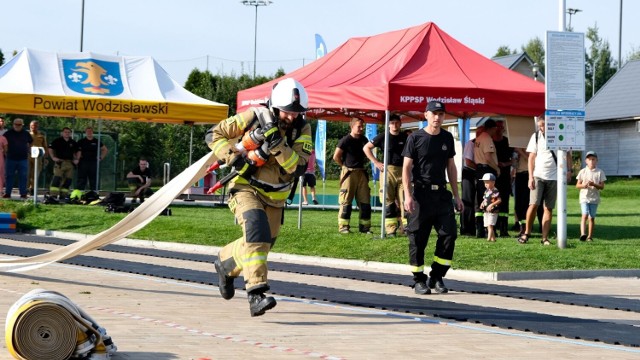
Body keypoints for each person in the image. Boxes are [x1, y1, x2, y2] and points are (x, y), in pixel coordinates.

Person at [206, 78, 312, 317]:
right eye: (287, 112)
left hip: (276, 196)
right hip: (245, 187)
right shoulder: (253, 116)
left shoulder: (302, 129)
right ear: (274, 106)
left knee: (262, 245)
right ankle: (256, 294)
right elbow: (214, 134)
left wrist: (276, 144)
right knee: (256, 232)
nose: (292, 117)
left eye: (297, 113)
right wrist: (232, 156)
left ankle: (224, 263)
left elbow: (296, 167)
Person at [402, 101, 463, 295]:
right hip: (420, 195)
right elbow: (406, 168)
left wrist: (457, 195)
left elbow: (451, 167)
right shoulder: (415, 138)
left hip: (442, 195)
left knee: (449, 234)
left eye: (441, 114)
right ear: (426, 115)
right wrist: (408, 196)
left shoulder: (447, 138)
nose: (438, 118)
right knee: (418, 239)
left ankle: (436, 276)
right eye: (434, 114)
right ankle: (419, 279)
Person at [518, 117, 572, 245]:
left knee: (548, 208)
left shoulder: (560, 135)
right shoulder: (536, 136)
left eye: (544, 125)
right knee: (533, 204)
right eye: (540, 126)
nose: (542, 128)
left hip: (554, 177)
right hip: (538, 175)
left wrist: (569, 170)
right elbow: (531, 158)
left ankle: (545, 238)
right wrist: (530, 177)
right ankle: (527, 233)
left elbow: (568, 154)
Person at [363, 113, 408, 236]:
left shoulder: (405, 137)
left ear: (400, 123)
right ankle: (390, 229)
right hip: (388, 170)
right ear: (388, 124)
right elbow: (366, 148)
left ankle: (406, 227)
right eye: (392, 122)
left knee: (405, 199)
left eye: (396, 122)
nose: (394, 125)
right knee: (388, 201)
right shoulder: (383, 136)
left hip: (403, 171)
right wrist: (376, 162)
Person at [333, 117, 371, 234]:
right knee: (346, 201)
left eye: (362, 126)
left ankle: (365, 228)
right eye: (359, 126)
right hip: (349, 173)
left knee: (365, 201)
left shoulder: (364, 139)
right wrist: (343, 166)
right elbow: (336, 156)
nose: (361, 128)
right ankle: (344, 227)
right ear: (352, 126)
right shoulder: (345, 140)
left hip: (361, 172)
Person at [473, 119, 499, 238]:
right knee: (490, 198)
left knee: (481, 198)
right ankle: (490, 230)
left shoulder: (478, 138)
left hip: (479, 169)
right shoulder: (487, 138)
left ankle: (480, 229)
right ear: (492, 128)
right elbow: (488, 157)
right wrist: (497, 168)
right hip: (486, 169)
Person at [575, 151, 606, 242]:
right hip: (584, 197)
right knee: (584, 215)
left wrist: (594, 184)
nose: (591, 161)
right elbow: (577, 185)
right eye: (589, 159)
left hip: (594, 198)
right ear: (586, 161)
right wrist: (583, 185)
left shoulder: (600, 172)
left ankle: (589, 236)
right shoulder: (583, 171)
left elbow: (602, 186)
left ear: (597, 160)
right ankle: (583, 234)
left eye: (593, 159)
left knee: (591, 217)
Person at [492, 120, 513, 237]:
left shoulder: (507, 142)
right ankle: (493, 228)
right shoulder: (490, 142)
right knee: (493, 201)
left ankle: (504, 230)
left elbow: (514, 159)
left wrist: (505, 164)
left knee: (504, 203)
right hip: (493, 177)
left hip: (504, 177)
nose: (500, 129)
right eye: (497, 127)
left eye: (501, 127)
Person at [460, 126, 482, 236]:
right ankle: (466, 228)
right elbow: (468, 161)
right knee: (468, 199)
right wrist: (480, 168)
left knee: (478, 200)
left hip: (478, 172)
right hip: (469, 172)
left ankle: (478, 227)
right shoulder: (471, 143)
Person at [3, 118, 33, 199]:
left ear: (22, 125)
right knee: (9, 176)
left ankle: (23, 193)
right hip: (10, 158)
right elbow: (3, 144)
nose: (17, 126)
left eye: (19, 124)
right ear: (13, 124)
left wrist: (29, 151)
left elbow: (30, 143)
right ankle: (7, 193)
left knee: (23, 176)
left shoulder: (26, 133)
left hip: (23, 158)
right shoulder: (7, 133)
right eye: (15, 124)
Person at [48, 127, 79, 201]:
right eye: (65, 132)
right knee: (57, 179)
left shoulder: (73, 142)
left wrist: (77, 159)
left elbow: (78, 150)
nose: (67, 133)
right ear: (62, 133)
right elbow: (50, 148)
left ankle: (63, 195)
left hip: (70, 163)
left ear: (70, 133)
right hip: (60, 162)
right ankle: (53, 195)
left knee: (68, 180)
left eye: (68, 132)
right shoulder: (57, 141)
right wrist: (53, 157)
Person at [76, 126, 108, 191]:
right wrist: (77, 159)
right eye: (87, 131)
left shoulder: (96, 141)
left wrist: (100, 158)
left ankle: (94, 194)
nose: (89, 133)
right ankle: (79, 195)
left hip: (93, 162)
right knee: (82, 179)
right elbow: (75, 150)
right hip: (83, 162)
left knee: (93, 179)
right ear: (85, 132)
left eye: (90, 131)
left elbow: (105, 149)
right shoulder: (81, 141)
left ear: (92, 132)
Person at [479, 173, 501, 242]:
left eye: (487, 183)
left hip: (493, 211)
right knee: (488, 225)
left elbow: (499, 200)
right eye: (484, 182)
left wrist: (492, 205)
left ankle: (488, 239)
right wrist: (482, 203)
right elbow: (485, 199)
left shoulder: (495, 191)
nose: (485, 184)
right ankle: (493, 239)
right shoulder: (486, 191)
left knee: (490, 225)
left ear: (493, 182)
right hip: (486, 211)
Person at [512, 147, 529, 235]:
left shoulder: (529, 147)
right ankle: (520, 225)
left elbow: (530, 159)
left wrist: (521, 151)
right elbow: (514, 163)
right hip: (517, 174)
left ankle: (526, 227)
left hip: (527, 174)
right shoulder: (516, 148)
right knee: (517, 204)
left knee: (525, 202)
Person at [28, 120, 48, 193]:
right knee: (27, 173)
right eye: (32, 126)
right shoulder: (27, 134)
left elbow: (45, 146)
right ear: (30, 126)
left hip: (38, 156)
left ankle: (32, 189)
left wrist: (45, 158)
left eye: (35, 126)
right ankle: (26, 189)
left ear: (38, 127)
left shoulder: (42, 135)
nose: (34, 127)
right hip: (28, 155)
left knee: (36, 173)